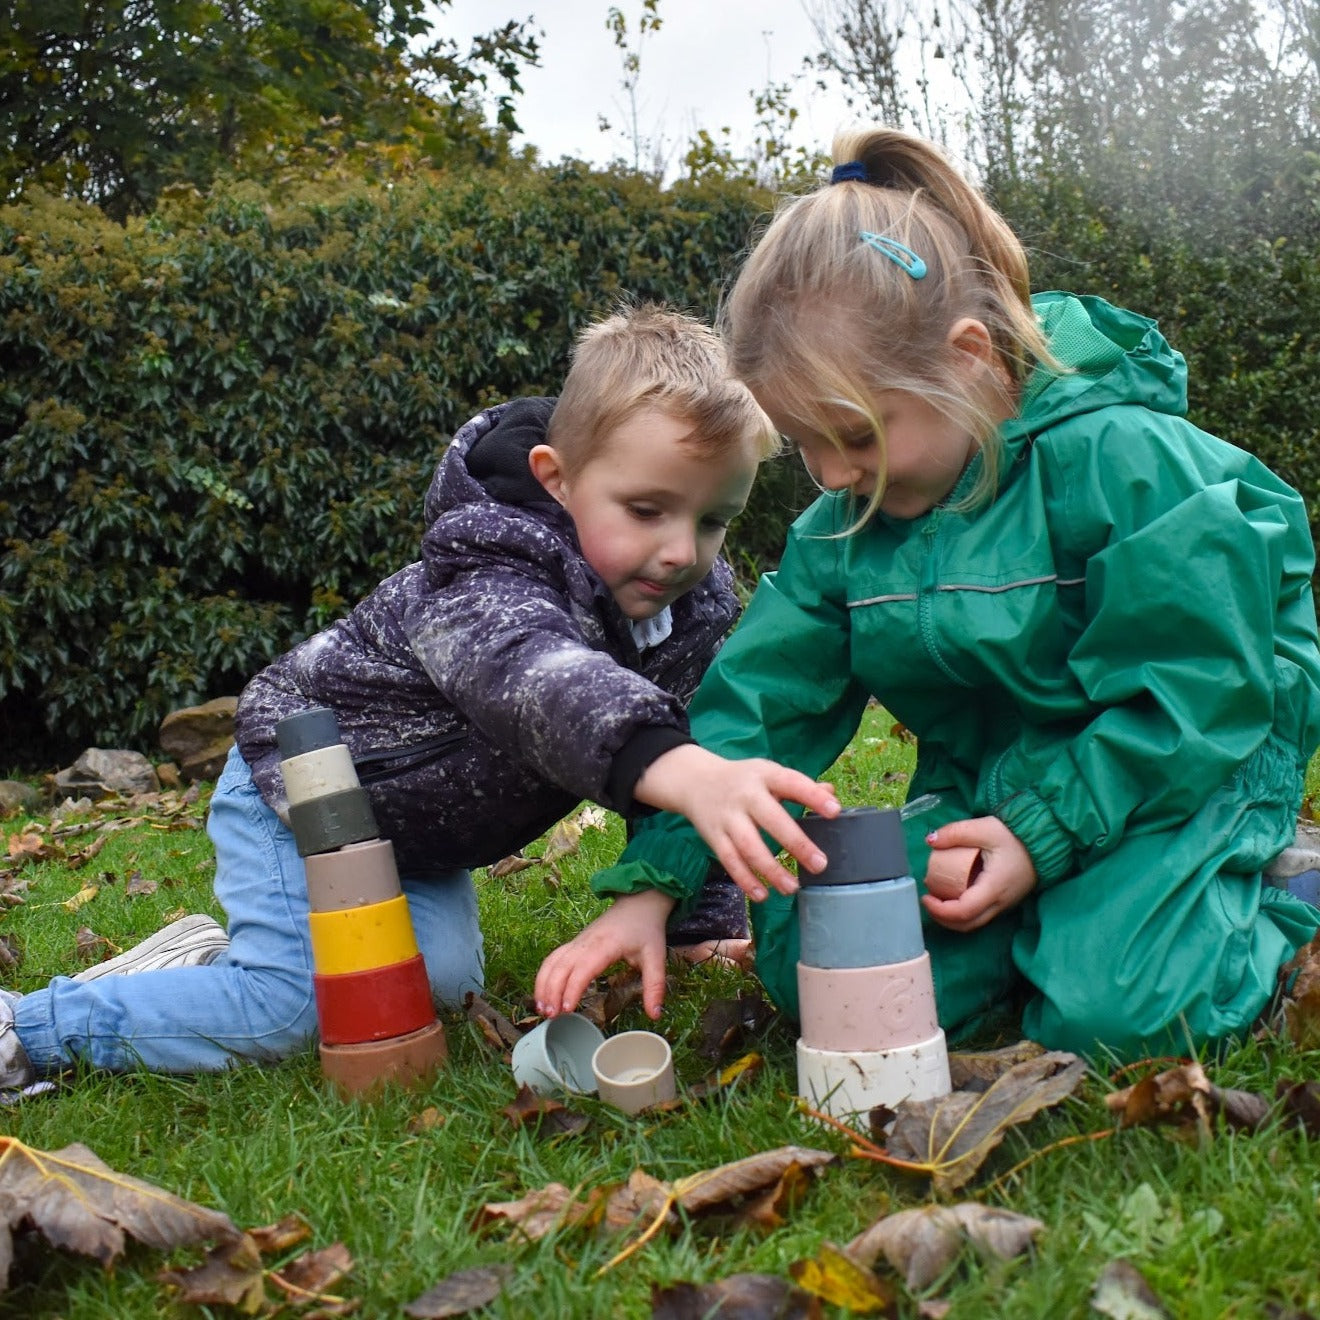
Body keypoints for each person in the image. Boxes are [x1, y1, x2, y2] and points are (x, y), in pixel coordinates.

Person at [534, 128, 1320, 1063]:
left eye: (855, 438)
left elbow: (1198, 689)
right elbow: (754, 710)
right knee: (820, 977)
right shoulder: (846, 525)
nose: (831, 475)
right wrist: (651, 890)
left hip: (1180, 772)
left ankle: (1277, 893)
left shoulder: (1129, 464)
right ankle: (1073, 923)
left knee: (1119, 1020)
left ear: (970, 359)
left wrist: (1037, 837)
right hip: (992, 791)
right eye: (807, 443)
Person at [0, 302, 836, 1090]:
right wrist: (673, 763)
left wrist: (691, 918)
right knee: (296, 1008)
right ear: (556, 477)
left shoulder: (689, 609)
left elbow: (702, 760)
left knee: (425, 993)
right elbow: (532, 676)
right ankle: (26, 1029)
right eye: (646, 509)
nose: (679, 550)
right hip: (303, 790)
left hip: (417, 834)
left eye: (715, 519)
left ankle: (188, 961)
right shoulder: (485, 570)